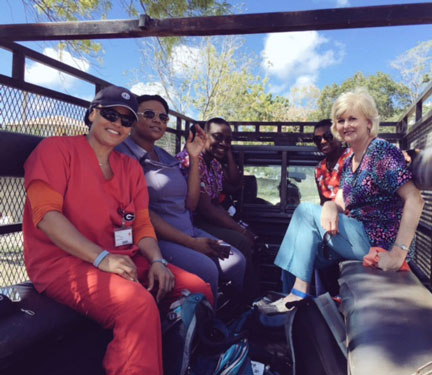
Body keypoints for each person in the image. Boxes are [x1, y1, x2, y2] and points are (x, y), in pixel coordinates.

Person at [22, 85, 213, 375]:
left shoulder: (130, 168)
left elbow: (141, 224)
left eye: (126, 120)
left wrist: (158, 261)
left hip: (120, 257)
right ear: (92, 114)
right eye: (110, 115)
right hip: (63, 262)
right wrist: (102, 258)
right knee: (136, 304)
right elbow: (47, 216)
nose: (118, 124)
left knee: (197, 288)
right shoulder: (55, 150)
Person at [260, 88, 424, 314]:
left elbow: (415, 199)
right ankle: (295, 318)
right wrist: (329, 206)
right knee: (296, 249)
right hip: (357, 235)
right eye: (341, 120)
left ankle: (297, 297)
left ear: (368, 122)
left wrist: (398, 253)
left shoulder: (379, 151)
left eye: (352, 118)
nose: (345, 125)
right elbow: (339, 202)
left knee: (305, 212)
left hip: (379, 240)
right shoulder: (351, 162)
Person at [115, 95, 247, 300]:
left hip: (188, 229)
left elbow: (190, 203)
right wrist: (190, 243)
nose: (157, 120)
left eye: (163, 117)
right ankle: (204, 327)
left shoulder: (165, 156)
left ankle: (233, 319)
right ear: (133, 119)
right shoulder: (123, 154)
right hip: (159, 238)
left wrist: (194, 157)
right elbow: (141, 213)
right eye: (149, 114)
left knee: (236, 260)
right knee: (207, 269)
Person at [177, 117, 258, 301]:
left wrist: (226, 150)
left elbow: (235, 184)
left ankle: (252, 294)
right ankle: (247, 301)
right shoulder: (190, 161)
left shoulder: (213, 163)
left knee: (251, 234)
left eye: (228, 140)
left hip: (209, 216)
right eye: (217, 137)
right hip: (192, 220)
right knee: (242, 240)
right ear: (203, 136)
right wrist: (241, 230)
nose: (223, 143)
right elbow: (205, 208)